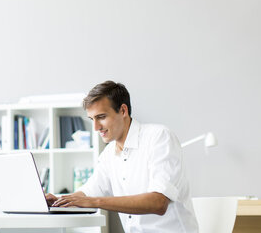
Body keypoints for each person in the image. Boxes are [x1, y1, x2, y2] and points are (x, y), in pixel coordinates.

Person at [47, 81, 198, 233]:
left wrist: (95, 202)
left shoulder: (159, 137)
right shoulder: (108, 155)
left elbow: (158, 202)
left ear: (123, 110)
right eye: (92, 119)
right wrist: (60, 201)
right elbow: (89, 191)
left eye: (101, 117)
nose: (96, 128)